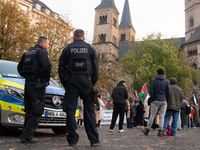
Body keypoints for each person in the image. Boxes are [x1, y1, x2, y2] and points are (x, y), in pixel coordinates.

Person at [58, 29, 99, 147]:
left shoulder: (67, 49)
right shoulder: (90, 49)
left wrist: (66, 83)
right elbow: (96, 69)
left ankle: (72, 140)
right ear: (84, 38)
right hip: (86, 81)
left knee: (70, 110)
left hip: (71, 81)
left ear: (73, 38)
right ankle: (94, 139)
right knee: (89, 110)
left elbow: (61, 69)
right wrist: (92, 83)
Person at [17, 37, 52, 143]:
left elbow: (19, 68)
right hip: (38, 84)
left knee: (29, 109)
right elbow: (46, 66)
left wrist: (28, 76)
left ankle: (26, 134)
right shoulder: (42, 52)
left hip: (28, 83)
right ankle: (27, 136)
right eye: (48, 44)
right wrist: (45, 79)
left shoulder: (28, 52)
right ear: (43, 43)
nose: (48, 46)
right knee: (37, 109)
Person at [141, 68, 170, 137]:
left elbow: (151, 91)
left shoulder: (154, 81)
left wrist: (152, 99)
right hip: (164, 100)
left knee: (152, 115)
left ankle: (147, 129)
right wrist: (166, 101)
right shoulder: (166, 82)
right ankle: (160, 130)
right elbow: (168, 93)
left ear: (157, 73)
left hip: (155, 100)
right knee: (162, 116)